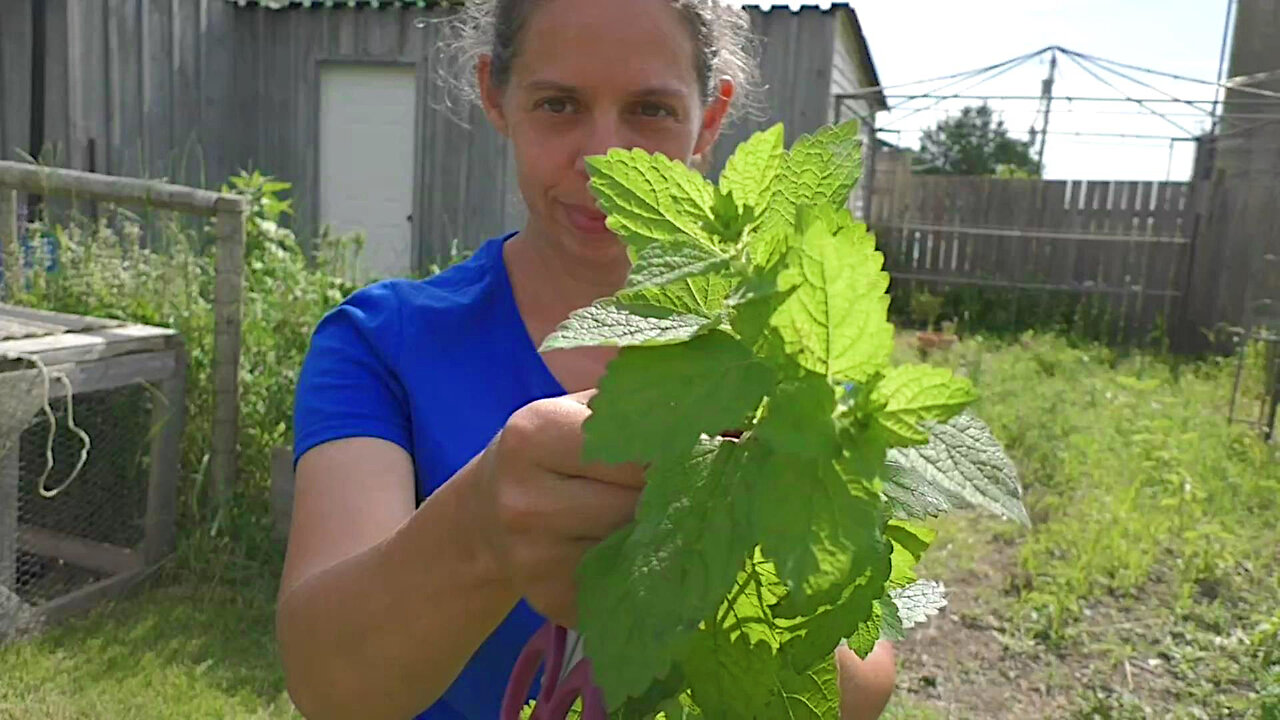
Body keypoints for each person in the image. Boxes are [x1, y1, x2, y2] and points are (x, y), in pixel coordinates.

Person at [275, 1, 897, 718]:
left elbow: (863, 683)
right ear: (495, 94)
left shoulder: (790, 350)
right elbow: (327, 685)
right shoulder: (381, 344)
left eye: (651, 109)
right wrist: (480, 530)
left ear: (713, 115)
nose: (603, 157)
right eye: (559, 103)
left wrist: (733, 543)